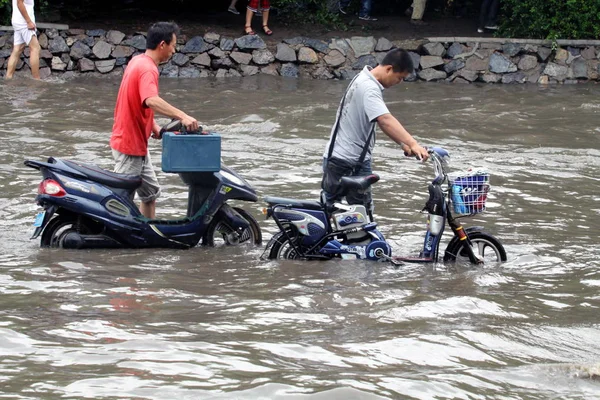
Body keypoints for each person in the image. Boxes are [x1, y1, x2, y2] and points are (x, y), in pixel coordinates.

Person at [321, 48, 429, 218]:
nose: (399, 82)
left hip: (339, 158)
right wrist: (414, 143)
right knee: (362, 218)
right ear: (389, 69)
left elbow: (375, 121)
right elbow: (385, 120)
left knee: (333, 212)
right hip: (348, 162)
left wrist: (403, 144)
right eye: (400, 78)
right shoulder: (369, 88)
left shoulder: (362, 78)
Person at [110, 22, 199, 219]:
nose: (174, 51)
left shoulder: (137, 61)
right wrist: (182, 116)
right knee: (120, 200)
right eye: (173, 45)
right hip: (129, 145)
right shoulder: (148, 69)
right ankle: (113, 242)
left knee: (150, 194)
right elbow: (151, 100)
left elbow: (136, 101)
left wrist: (154, 126)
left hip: (137, 142)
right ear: (162, 45)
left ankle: (147, 237)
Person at [5, 0, 40, 79]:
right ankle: (37, 80)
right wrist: (29, 21)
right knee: (35, 48)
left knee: (17, 49)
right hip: (24, 23)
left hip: (18, 21)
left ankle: (8, 77)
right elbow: (19, 3)